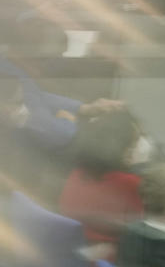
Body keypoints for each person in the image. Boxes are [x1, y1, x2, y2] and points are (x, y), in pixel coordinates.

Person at [58, 110, 145, 262]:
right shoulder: (131, 183)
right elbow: (137, 231)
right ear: (123, 149)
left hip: (69, 253)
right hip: (104, 258)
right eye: (134, 143)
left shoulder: (77, 172)